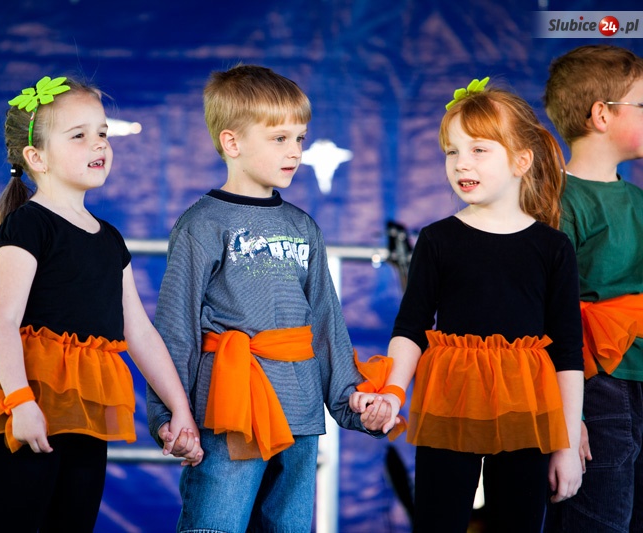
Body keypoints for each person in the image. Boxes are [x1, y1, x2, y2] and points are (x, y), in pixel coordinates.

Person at [145, 64, 384, 533]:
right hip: (230, 410)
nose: (295, 151)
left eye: (300, 138)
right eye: (279, 139)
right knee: (215, 526)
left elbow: (325, 324)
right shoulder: (202, 224)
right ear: (232, 143)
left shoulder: (303, 226)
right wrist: (169, 415)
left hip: (299, 413)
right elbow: (176, 327)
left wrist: (350, 399)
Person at [0, 75, 202, 532]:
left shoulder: (110, 239)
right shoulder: (27, 226)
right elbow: (3, 323)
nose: (99, 144)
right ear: (37, 157)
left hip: (89, 408)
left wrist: (180, 409)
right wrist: (21, 402)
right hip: (31, 403)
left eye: (102, 133)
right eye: (79, 135)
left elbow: (139, 332)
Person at [350, 78, 585, 533]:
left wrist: (567, 444)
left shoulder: (553, 247)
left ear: (521, 161)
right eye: (452, 151)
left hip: (526, 409)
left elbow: (567, 352)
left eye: (479, 150)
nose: (461, 163)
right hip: (450, 400)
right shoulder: (438, 239)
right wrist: (394, 392)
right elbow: (411, 326)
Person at [542, 44, 643, 533]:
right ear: (602, 115)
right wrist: (567, 418)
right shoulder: (558, 202)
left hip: (639, 378)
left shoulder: (636, 199)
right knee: (600, 520)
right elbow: (545, 316)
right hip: (596, 388)